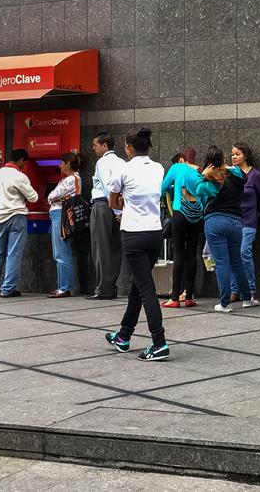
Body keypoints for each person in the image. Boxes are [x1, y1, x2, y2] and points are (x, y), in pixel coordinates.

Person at [104, 128, 169, 361]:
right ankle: (123, 335)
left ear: (129, 147)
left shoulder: (123, 168)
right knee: (138, 286)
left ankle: (159, 343)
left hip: (133, 233)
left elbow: (112, 200)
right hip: (154, 233)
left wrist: (122, 206)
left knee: (146, 288)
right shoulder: (158, 168)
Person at [199, 146, 258, 312]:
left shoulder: (211, 179)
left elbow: (198, 192)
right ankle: (247, 298)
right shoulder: (237, 173)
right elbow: (243, 177)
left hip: (214, 221)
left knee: (222, 262)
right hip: (236, 222)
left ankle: (224, 303)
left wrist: (203, 177)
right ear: (223, 157)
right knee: (237, 262)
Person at [0, 149, 38, 298]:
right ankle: (7, 289)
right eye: (24, 162)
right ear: (20, 160)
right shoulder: (20, 176)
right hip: (16, 217)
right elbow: (34, 197)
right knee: (13, 253)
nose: (24, 165)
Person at [160, 147, 204, 308]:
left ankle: (175, 298)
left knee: (179, 254)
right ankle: (189, 297)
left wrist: (171, 189)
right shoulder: (199, 172)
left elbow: (162, 188)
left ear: (181, 159)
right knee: (192, 254)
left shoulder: (177, 168)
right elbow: (204, 194)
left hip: (180, 214)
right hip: (197, 216)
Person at [87, 132, 126, 300]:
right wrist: (121, 211)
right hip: (119, 206)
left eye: (96, 144)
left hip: (103, 205)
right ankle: (111, 286)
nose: (94, 148)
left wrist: (115, 209)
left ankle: (103, 289)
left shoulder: (103, 162)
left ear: (105, 145)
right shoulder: (122, 162)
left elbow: (106, 186)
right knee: (115, 247)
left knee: (100, 247)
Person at [232, 143, 260, 301]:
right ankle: (234, 290)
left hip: (249, 221)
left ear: (245, 156)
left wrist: (257, 212)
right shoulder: (230, 174)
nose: (234, 157)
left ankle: (250, 289)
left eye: (237, 154)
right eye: (232, 154)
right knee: (233, 255)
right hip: (233, 220)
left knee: (244, 253)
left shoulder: (255, 175)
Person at [46, 152, 83, 298]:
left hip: (60, 216)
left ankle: (64, 287)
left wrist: (52, 197)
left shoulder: (71, 179)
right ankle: (64, 286)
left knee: (61, 252)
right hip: (58, 216)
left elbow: (51, 196)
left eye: (61, 162)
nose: (59, 165)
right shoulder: (68, 179)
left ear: (67, 163)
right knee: (61, 252)